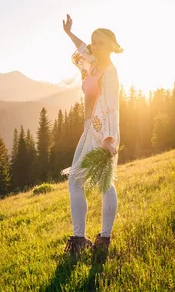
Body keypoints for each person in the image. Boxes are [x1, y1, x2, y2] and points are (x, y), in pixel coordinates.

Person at [60, 13, 122, 256]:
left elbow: (111, 107)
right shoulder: (94, 62)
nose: (95, 46)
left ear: (112, 47)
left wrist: (108, 139)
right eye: (94, 41)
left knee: (105, 184)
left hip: (104, 132)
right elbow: (82, 48)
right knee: (76, 181)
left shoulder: (110, 73)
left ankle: (103, 238)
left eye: (101, 43)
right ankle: (79, 239)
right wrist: (69, 33)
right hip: (91, 128)